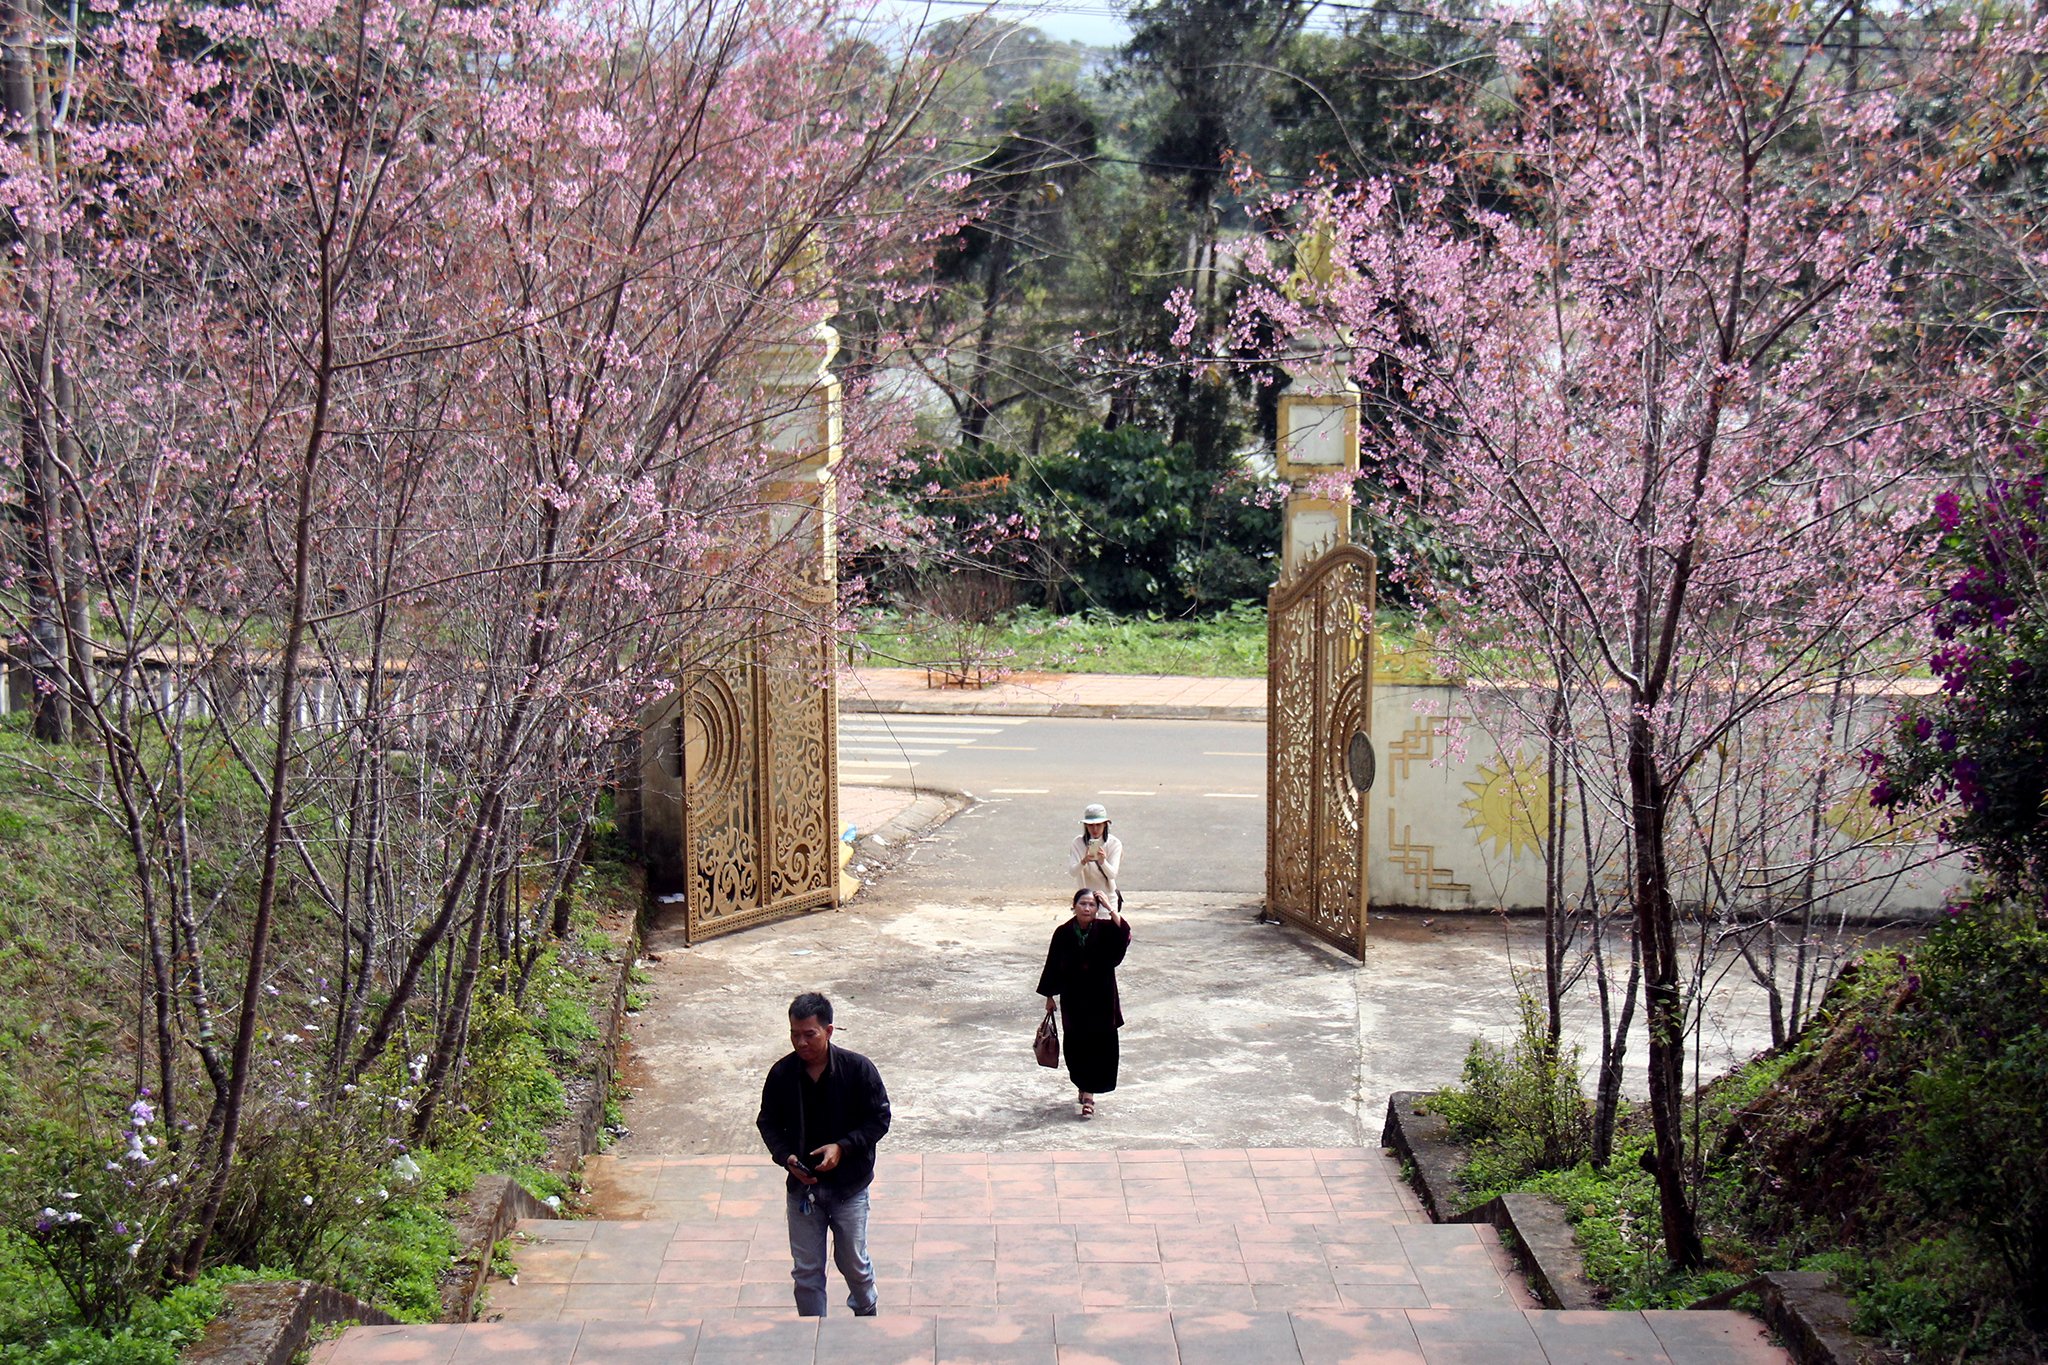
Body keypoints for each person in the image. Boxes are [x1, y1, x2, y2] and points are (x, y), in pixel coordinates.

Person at [754, 992, 891, 1317]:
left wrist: (842, 1148)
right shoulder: (782, 1075)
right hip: (803, 1190)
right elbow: (768, 1122)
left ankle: (866, 1308)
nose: (801, 1043)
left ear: (829, 1031)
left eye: (809, 1034)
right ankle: (813, 1330)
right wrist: (786, 1157)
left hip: (849, 1189)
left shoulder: (858, 1070)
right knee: (806, 1271)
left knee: (853, 1263)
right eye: (794, 1035)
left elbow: (879, 1119)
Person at [1036, 887, 1131, 1119]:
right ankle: (1082, 1084)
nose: (1087, 908)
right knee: (1076, 1049)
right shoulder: (1063, 933)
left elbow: (1125, 935)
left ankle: (1089, 1096)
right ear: (1074, 906)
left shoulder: (1107, 930)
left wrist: (1109, 907)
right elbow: (1053, 963)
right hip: (1074, 999)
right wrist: (1049, 996)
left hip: (1102, 999)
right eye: (1082, 904)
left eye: (1091, 905)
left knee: (1099, 1048)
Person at [1068, 803, 1122, 903]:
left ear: (1105, 824)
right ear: (1086, 826)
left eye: (1098, 825)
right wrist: (1083, 861)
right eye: (1091, 825)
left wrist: (1103, 862)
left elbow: (1112, 875)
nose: (1095, 829)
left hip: (1108, 898)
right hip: (1085, 899)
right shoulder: (1078, 843)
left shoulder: (1114, 843)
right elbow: (1073, 872)